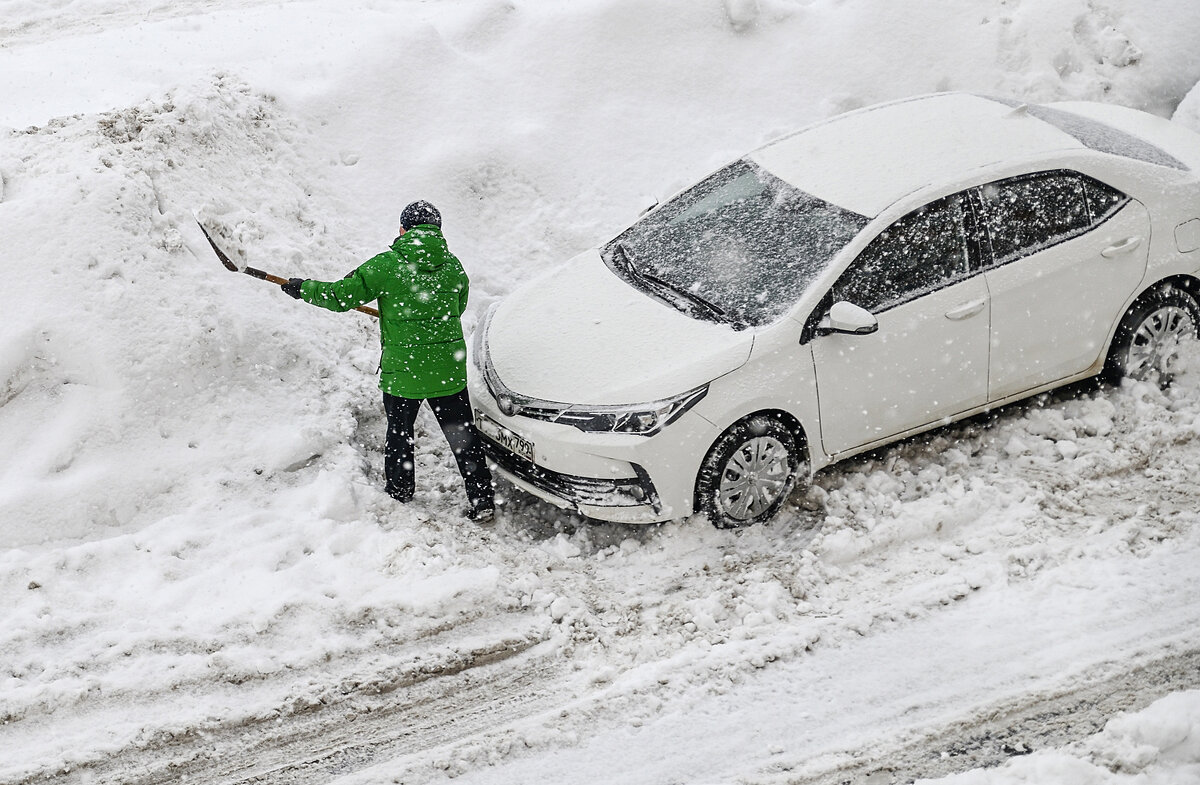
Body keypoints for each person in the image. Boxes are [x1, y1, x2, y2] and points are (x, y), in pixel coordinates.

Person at [280, 201, 495, 522]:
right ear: (437, 230)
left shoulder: (387, 265)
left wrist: (303, 289)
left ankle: (400, 491)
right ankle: (482, 499)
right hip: (447, 370)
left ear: (403, 230)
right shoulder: (453, 266)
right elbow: (457, 306)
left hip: (404, 371)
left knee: (399, 434)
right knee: (463, 437)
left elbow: (340, 296)